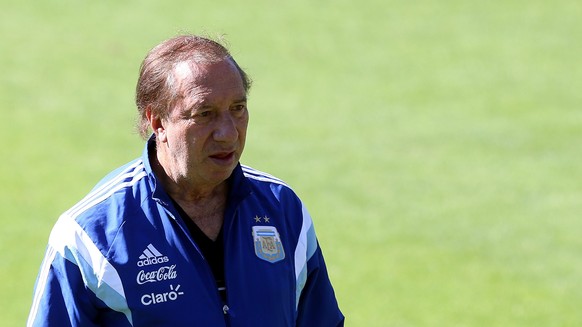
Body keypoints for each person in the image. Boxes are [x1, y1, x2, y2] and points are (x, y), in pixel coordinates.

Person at [27, 34, 344, 326]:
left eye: (238, 109)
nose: (228, 133)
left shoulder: (282, 209)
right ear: (157, 121)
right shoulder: (90, 235)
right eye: (204, 114)